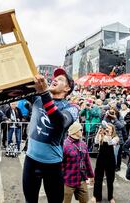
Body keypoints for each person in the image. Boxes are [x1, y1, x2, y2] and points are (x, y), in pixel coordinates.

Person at [22, 69, 77, 203]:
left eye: (61, 79)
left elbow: (60, 122)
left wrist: (44, 93)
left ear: (67, 88)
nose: (55, 79)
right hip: (30, 161)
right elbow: (17, 87)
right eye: (55, 77)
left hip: (52, 165)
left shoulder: (72, 108)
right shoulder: (37, 98)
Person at [62, 122, 94, 203]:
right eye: (81, 130)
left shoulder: (83, 144)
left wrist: (91, 175)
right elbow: (60, 165)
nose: (82, 131)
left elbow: (87, 161)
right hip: (68, 181)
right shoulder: (64, 145)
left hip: (81, 179)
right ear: (75, 131)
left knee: (85, 201)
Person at [91, 122, 119, 203]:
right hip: (101, 158)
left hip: (110, 159)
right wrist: (99, 132)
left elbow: (110, 142)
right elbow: (96, 142)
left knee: (110, 179)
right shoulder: (101, 136)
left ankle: (110, 197)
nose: (107, 130)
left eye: (109, 129)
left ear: (113, 130)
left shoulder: (116, 138)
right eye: (107, 128)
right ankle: (96, 196)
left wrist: (108, 134)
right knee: (98, 178)